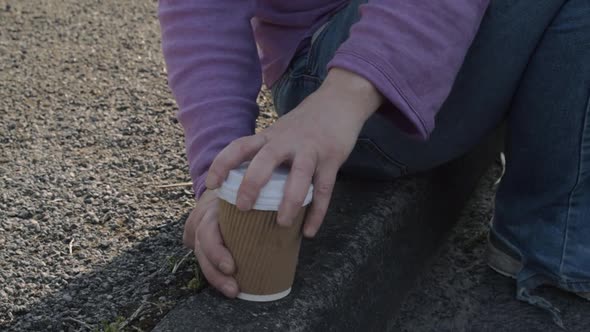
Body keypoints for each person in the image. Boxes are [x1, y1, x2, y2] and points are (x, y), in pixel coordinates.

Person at [158, 0, 589, 324]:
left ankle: (556, 233)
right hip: (334, 82)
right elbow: (202, 10)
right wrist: (221, 173)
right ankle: (557, 238)